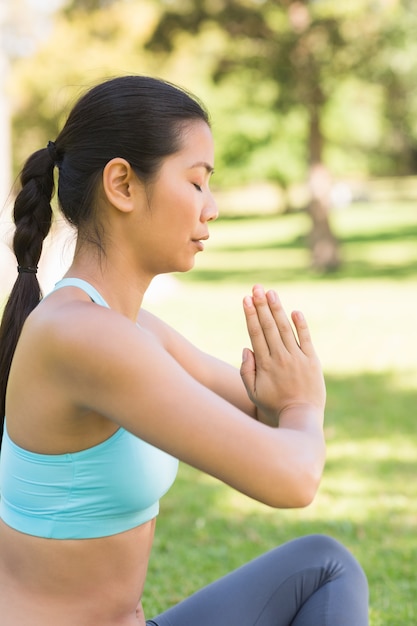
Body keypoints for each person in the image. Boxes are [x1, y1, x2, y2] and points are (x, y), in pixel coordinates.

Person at [0, 75, 368, 626]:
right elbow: (292, 476)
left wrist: (284, 404)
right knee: (326, 566)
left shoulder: (129, 328)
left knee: (324, 566)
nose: (211, 207)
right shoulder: (83, 338)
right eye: (196, 183)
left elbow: (264, 418)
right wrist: (302, 405)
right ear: (122, 184)